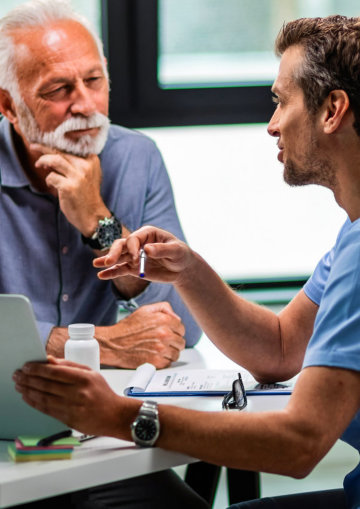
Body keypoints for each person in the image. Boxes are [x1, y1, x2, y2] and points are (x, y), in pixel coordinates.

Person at [14, 14, 360, 509]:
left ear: (332, 111)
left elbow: (299, 442)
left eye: (281, 101)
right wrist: (189, 271)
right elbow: (281, 350)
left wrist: (117, 415)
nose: (272, 123)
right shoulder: (351, 234)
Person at [0, 0, 201, 370]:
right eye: (59, 89)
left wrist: (98, 221)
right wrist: (96, 345)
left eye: (94, 80)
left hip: (112, 400)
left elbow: (183, 326)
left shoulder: (138, 157)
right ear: (9, 106)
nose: (86, 105)